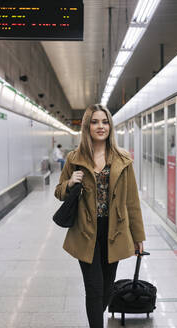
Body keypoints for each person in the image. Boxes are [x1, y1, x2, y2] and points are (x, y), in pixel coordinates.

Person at [54, 104, 146, 328]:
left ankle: (98, 313)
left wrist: (138, 236)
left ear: (110, 126)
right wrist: (70, 183)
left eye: (104, 122)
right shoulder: (74, 158)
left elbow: (132, 201)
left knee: (106, 289)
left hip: (114, 230)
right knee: (93, 287)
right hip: (85, 231)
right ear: (87, 126)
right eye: (95, 122)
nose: (100, 126)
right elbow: (59, 192)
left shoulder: (122, 159)